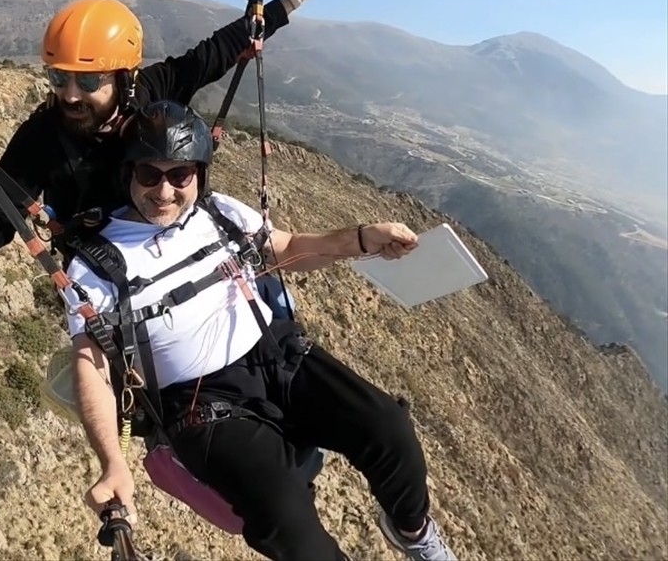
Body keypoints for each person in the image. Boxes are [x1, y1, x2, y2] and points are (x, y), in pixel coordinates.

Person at [62, 100, 457, 561]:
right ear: (127, 174)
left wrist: (363, 239)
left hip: (276, 356)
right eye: (149, 174)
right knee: (286, 518)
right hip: (202, 403)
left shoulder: (221, 214)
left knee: (387, 426)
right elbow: (92, 366)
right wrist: (113, 462)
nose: (164, 191)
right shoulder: (95, 265)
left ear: (199, 174)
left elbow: (286, 248)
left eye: (180, 175)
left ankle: (411, 530)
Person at [0, 0, 334, 263]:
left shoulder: (153, 86)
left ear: (124, 77)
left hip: (177, 247)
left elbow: (223, 48)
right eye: (59, 78)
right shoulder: (43, 137)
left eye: (89, 80)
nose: (70, 94)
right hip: (110, 283)